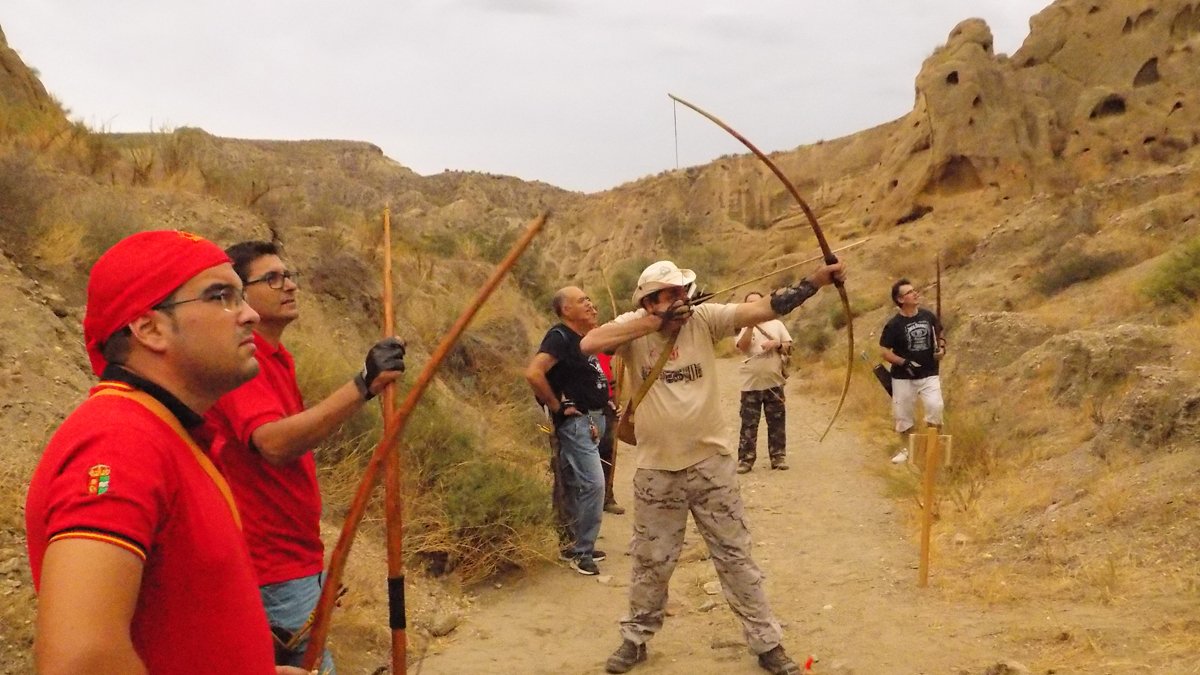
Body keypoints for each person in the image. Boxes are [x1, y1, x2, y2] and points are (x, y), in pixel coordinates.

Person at [25, 230, 310, 674]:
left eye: (240, 295)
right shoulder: (120, 441)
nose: (250, 314)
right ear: (150, 329)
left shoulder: (165, 433)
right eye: (221, 296)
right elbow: (79, 660)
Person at [581, 259, 845, 675]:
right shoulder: (634, 326)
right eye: (669, 294)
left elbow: (762, 309)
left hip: (711, 466)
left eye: (682, 292)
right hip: (656, 469)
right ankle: (636, 638)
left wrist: (814, 282)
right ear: (649, 301)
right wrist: (654, 323)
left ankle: (766, 642)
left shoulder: (704, 318)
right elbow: (590, 343)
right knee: (651, 561)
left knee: (735, 556)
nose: (680, 300)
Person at [205, 240, 406, 672]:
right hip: (270, 565)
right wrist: (362, 384)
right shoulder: (243, 362)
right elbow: (274, 444)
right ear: (239, 295)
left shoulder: (276, 358)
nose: (289, 285)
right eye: (272, 279)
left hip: (293, 560)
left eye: (288, 275)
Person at [525, 286, 610, 576]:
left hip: (592, 420)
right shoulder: (559, 337)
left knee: (574, 485)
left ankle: (573, 544)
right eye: (582, 300)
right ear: (566, 310)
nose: (590, 304)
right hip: (577, 424)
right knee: (594, 484)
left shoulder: (584, 338)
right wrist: (557, 406)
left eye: (589, 298)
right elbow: (533, 373)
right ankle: (582, 551)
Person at [879, 278, 945, 464]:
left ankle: (933, 447)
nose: (915, 293)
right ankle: (907, 449)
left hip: (929, 372)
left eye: (914, 290)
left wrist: (941, 348)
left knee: (935, 407)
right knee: (903, 415)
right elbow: (884, 351)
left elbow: (939, 334)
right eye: (909, 292)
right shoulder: (894, 325)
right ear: (900, 299)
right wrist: (903, 362)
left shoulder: (928, 316)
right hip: (903, 377)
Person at [734, 291, 794, 473]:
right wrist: (750, 326)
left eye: (756, 302)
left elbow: (789, 347)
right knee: (749, 424)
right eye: (749, 303)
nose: (753, 306)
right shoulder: (740, 326)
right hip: (750, 385)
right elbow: (742, 347)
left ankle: (778, 457)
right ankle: (746, 460)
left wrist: (777, 344)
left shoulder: (776, 324)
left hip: (774, 382)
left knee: (777, 422)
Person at [595, 351, 626, 514]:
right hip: (586, 407)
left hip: (606, 405)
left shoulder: (604, 351)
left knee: (606, 450)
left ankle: (606, 496)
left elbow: (611, 380)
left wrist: (616, 403)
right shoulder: (578, 347)